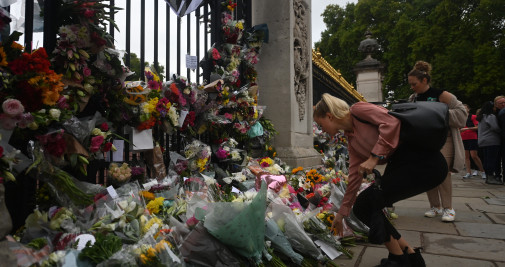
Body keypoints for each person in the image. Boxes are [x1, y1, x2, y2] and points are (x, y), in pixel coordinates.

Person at [314, 93, 447, 267]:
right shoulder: (351, 139)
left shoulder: (358, 110)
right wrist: (341, 214)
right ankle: (408, 256)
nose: (320, 129)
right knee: (364, 205)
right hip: (402, 166)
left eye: (320, 124)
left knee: (368, 202)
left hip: (423, 162)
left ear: (329, 116)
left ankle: (400, 258)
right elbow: (354, 175)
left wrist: (374, 157)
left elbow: (392, 123)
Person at [407, 61, 467, 222]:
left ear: (424, 81)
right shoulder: (413, 98)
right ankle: (435, 206)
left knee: (442, 172)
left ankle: (448, 208)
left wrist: (439, 113)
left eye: (414, 84)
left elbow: (462, 115)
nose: (412, 87)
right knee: (428, 173)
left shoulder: (443, 95)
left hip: (444, 139)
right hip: (425, 141)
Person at [476, 101, 503, 185]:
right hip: (492, 141)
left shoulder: (481, 117)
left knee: (487, 160)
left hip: (483, 141)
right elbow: (495, 127)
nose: (495, 108)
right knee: (492, 160)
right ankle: (491, 177)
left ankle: (488, 177)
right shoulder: (490, 116)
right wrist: (501, 131)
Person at [459, 104, 486, 179]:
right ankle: (468, 172)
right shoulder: (460, 117)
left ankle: (483, 171)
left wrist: (466, 129)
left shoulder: (473, 117)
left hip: (472, 138)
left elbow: (477, 127)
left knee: (474, 156)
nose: (463, 109)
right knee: (466, 157)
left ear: (468, 109)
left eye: (465, 108)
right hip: (463, 138)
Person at [493, 96, 505, 180]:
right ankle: (497, 175)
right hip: (496, 139)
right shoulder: (494, 114)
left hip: (501, 138)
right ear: (496, 105)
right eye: (501, 103)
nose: (504, 104)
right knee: (497, 158)